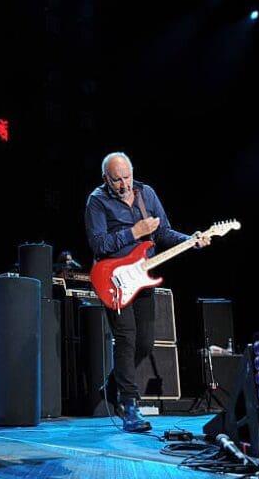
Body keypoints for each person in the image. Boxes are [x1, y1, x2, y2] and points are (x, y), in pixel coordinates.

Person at [84, 151, 209, 432]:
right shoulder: (97, 201)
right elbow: (98, 244)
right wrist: (134, 232)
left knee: (145, 343)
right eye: (117, 180)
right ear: (106, 178)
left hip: (142, 278)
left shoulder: (146, 194)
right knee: (126, 340)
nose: (124, 185)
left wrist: (190, 240)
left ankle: (113, 386)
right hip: (113, 279)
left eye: (127, 177)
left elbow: (163, 232)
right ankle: (130, 407)